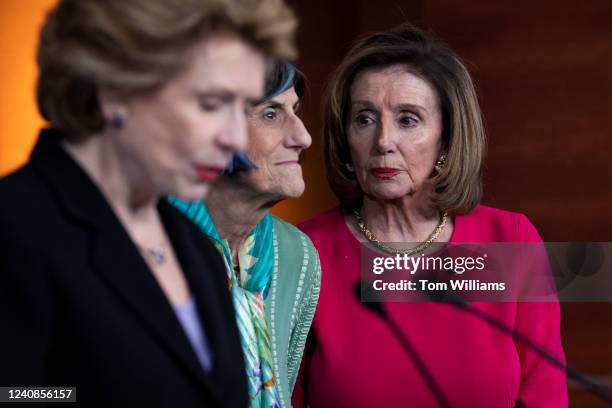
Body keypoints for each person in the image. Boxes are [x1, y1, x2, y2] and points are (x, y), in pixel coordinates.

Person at [0, 0, 297, 406]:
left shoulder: (195, 248)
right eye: (211, 104)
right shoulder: (14, 226)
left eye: (241, 108)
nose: (232, 139)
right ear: (116, 91)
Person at [293, 24, 568, 407]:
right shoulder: (300, 252)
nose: (384, 141)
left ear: (447, 138)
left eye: (408, 119)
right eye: (364, 119)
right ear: (344, 138)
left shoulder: (510, 238)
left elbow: (545, 396)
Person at [171, 61, 320, 408]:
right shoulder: (140, 245)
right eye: (271, 114)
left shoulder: (296, 256)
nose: (303, 137)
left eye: (295, 111)